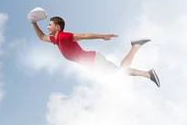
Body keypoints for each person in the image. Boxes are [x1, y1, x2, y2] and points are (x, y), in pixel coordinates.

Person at [31, 16, 160, 87]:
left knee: (119, 72)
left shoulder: (63, 36)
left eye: (50, 25)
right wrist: (33, 22)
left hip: (94, 61)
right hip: (93, 63)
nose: (48, 27)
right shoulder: (56, 40)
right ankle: (148, 74)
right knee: (119, 73)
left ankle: (136, 46)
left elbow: (83, 36)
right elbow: (42, 37)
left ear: (57, 27)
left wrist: (102, 36)